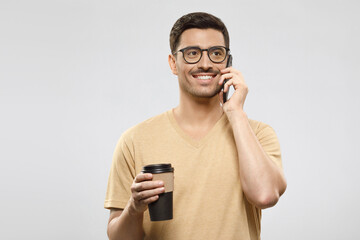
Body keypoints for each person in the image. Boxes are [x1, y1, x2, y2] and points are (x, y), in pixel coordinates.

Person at [104, 12, 287, 240]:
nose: (205, 63)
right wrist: (134, 208)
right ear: (173, 63)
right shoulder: (134, 140)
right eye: (192, 53)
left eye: (216, 53)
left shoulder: (258, 134)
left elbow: (265, 196)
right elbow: (119, 237)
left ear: (228, 63)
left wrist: (235, 112)